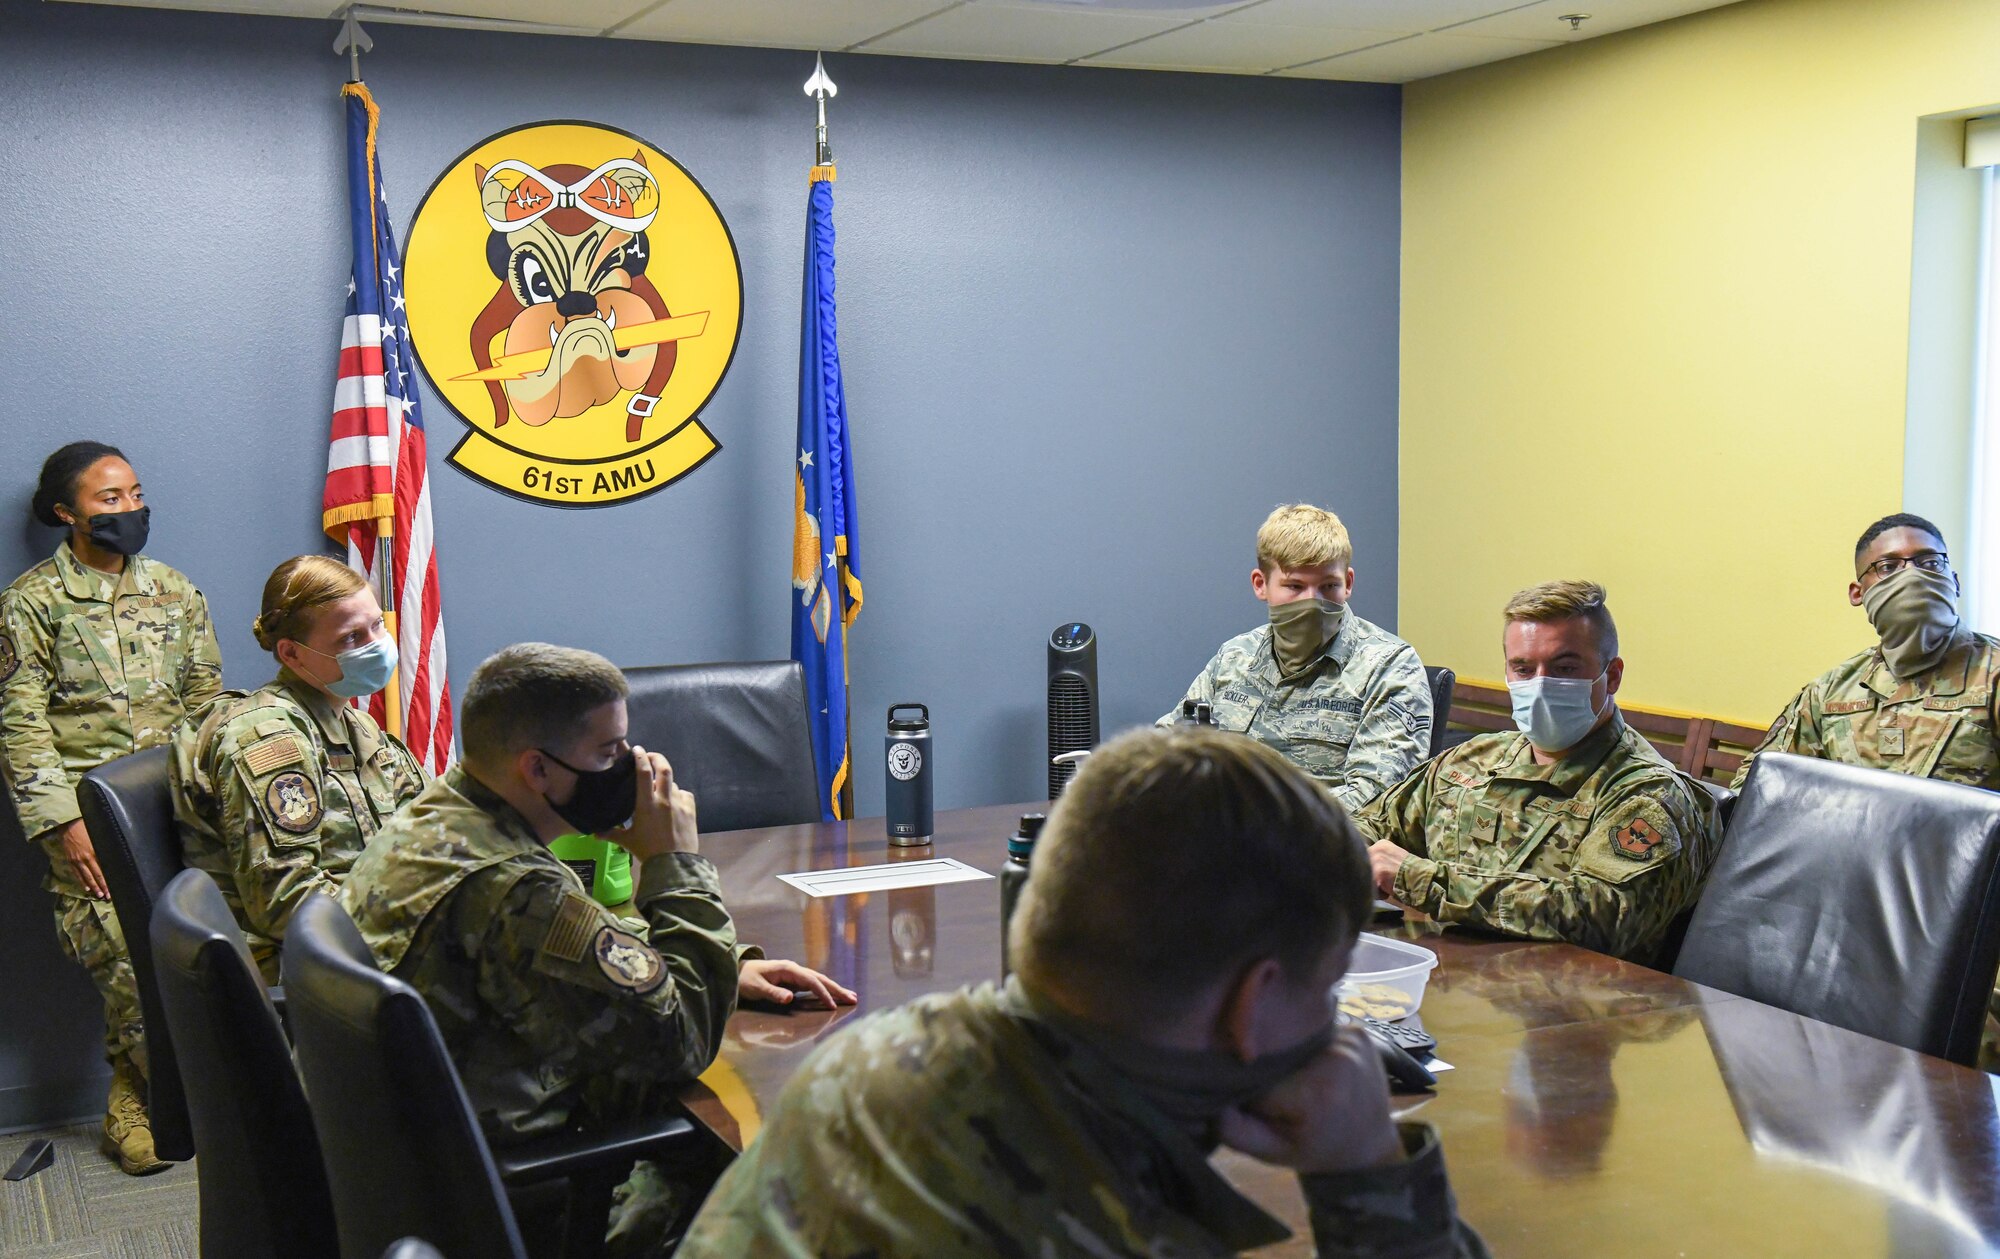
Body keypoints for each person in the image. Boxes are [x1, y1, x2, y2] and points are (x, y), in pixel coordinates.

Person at [679, 726, 1490, 1259]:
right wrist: (1369, 1174)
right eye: (1328, 986)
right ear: (1254, 1004)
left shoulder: (863, 1059)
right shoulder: (1124, 1231)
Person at [339, 643, 855, 1257]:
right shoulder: (514, 889)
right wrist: (675, 863)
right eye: (609, 752)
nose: (631, 767)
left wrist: (729, 963)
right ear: (538, 769)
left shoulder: (438, 818)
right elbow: (684, 1037)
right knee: (768, 1161)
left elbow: (574, 951)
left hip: (422, 1172)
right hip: (530, 1199)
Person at [0, 441, 222, 1175]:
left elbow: (205, 703)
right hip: (88, 819)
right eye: (109, 498)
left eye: (135, 493)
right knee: (125, 959)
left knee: (192, 954)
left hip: (176, 809)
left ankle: (134, 1101)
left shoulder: (176, 591)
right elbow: (20, 724)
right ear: (67, 512)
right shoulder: (32, 603)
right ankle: (187, 1106)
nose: (130, 508)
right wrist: (64, 826)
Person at [1354, 581, 1715, 966]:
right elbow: (1372, 824)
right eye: (1523, 669)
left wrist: (1420, 879)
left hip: (1570, 998)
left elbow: (1599, 916)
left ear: (1612, 676)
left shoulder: (1649, 796)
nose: (1540, 685)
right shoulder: (1471, 760)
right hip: (1444, 977)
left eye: (1564, 668)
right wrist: (1347, 853)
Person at [170, 555, 428, 984]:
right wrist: (421, 917)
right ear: (291, 653)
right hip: (305, 969)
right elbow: (286, 901)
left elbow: (424, 831)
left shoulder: (357, 727)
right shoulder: (268, 738)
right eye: (351, 637)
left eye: (376, 626)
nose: (375, 644)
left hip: (365, 944)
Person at [1160, 503, 1431, 811]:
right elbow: (1168, 746)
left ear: (1348, 583)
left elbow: (1378, 799)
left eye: (1328, 586)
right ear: (1261, 585)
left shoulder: (1390, 666)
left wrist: (1255, 817)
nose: (1312, 601)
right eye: (1295, 586)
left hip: (1320, 835)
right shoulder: (1235, 656)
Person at [1733, 512, 1998, 791]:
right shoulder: (1829, 693)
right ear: (1857, 593)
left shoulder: (1993, 677)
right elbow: (1758, 785)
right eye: (1888, 566)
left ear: (1955, 582)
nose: (1912, 575)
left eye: (1929, 563)